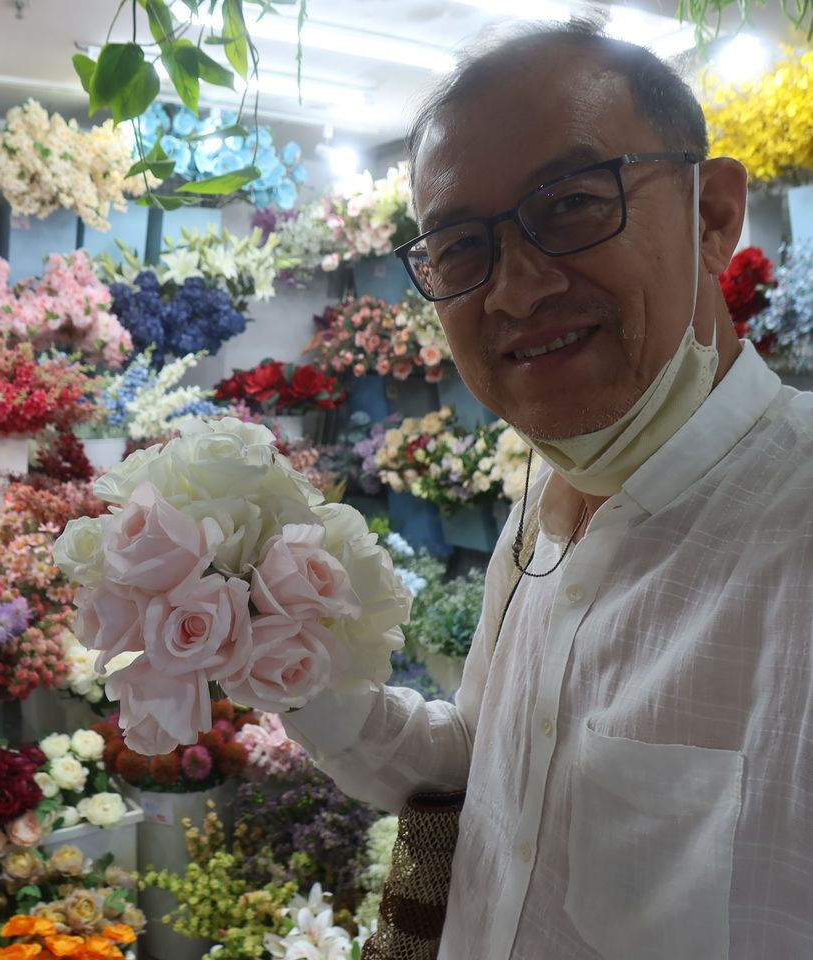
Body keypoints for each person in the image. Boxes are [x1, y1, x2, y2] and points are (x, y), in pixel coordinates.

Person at [284, 20, 813, 959]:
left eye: (570, 204)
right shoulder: (549, 504)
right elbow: (480, 762)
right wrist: (291, 667)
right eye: (459, 248)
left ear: (712, 217)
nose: (516, 291)